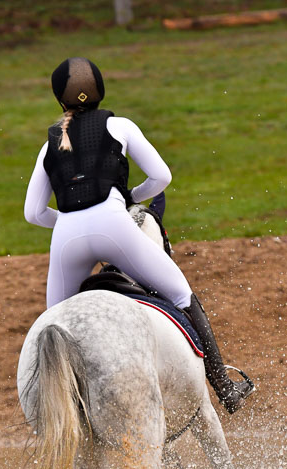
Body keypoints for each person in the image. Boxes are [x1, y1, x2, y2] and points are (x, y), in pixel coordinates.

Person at [24, 57, 253, 414]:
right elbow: (161, 178)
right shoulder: (120, 126)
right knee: (180, 294)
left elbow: (33, 213)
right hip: (116, 225)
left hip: (66, 239)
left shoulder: (49, 144)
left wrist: (71, 221)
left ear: (59, 102)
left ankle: (61, 408)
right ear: (101, 92)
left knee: (53, 326)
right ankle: (224, 388)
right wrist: (127, 199)